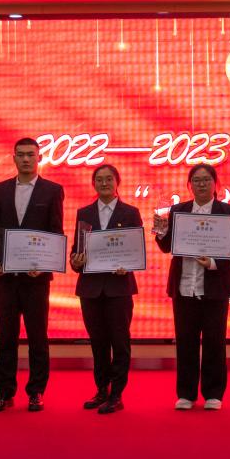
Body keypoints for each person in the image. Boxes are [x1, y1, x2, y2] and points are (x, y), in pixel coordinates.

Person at [0, 137, 65, 413]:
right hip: (5, 277)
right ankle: (4, 393)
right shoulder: (0, 189)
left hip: (36, 278)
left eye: (31, 154)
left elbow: (55, 232)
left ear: (39, 157)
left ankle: (36, 392)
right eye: (21, 155)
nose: (26, 159)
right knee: (6, 336)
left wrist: (46, 264)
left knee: (37, 337)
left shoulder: (52, 190)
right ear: (14, 158)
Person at [154, 164, 230, 411]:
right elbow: (167, 247)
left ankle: (214, 393)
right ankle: (186, 393)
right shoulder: (178, 211)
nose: (201, 184)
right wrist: (160, 230)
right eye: (196, 180)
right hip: (184, 286)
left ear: (215, 184)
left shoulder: (228, 212)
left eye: (206, 180)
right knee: (186, 342)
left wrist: (213, 262)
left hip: (215, 287)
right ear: (189, 185)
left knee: (215, 341)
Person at [69, 164, 142, 415]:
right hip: (90, 289)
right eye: (99, 179)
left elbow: (135, 250)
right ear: (93, 184)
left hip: (119, 288)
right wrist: (75, 261)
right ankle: (101, 390)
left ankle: (116, 394)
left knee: (120, 343)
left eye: (109, 179)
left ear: (117, 182)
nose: (104, 183)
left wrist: (128, 265)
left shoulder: (130, 212)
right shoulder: (84, 213)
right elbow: (77, 251)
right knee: (98, 343)